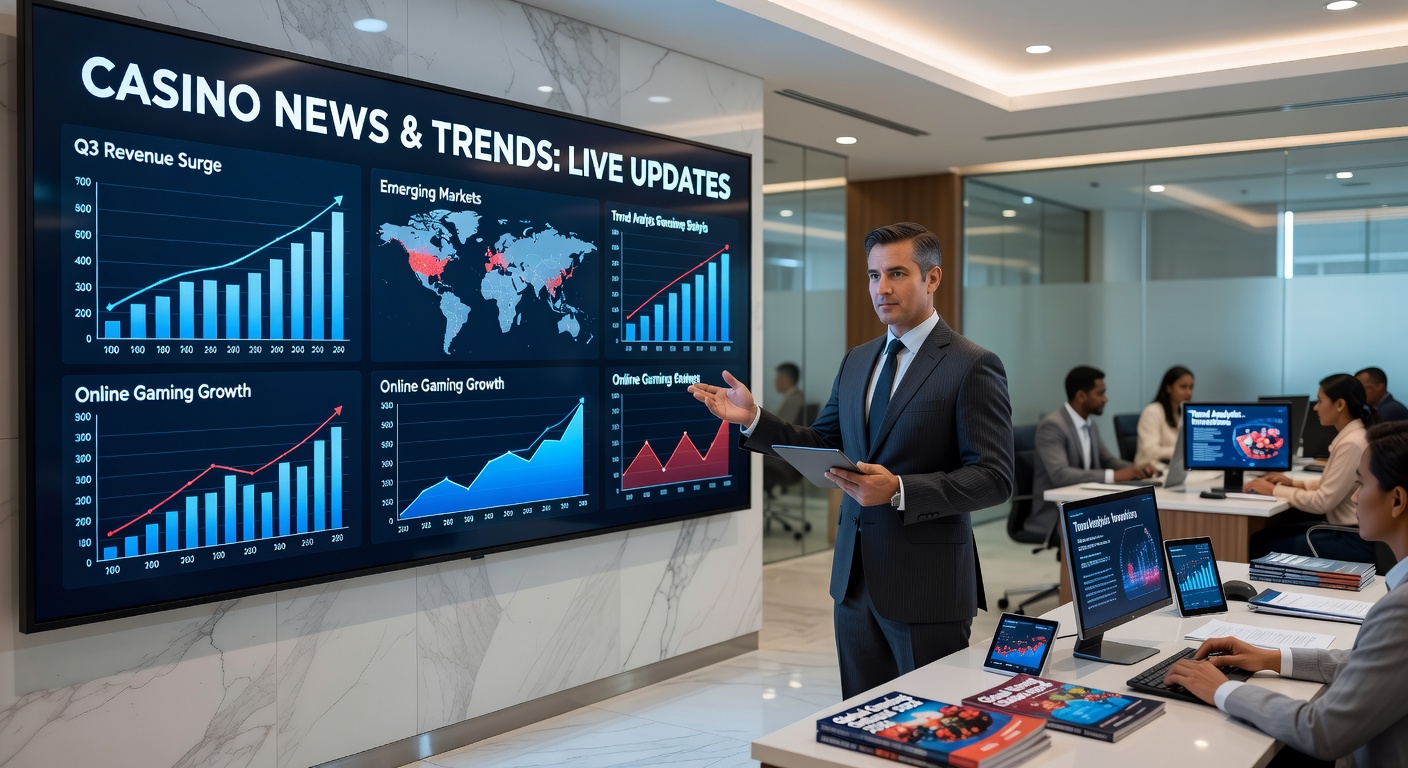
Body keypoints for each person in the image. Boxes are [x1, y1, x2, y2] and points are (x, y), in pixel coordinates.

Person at [689, 222, 1014, 699]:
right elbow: (822, 440)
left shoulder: (972, 364)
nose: (882, 289)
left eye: (897, 273)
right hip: (853, 582)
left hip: (927, 585)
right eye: (873, 275)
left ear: (932, 278)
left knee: (930, 722)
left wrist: (900, 490)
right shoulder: (858, 360)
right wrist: (754, 418)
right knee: (860, 719)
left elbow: (994, 477)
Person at [1164, 421, 1408, 767]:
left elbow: (1322, 730)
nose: (1354, 497)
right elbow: (1369, 665)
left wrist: (1222, 689)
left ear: (1397, 500)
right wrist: (1270, 657)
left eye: (1361, 483)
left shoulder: (1401, 610)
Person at [1246, 373, 1377, 563]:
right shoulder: (1356, 436)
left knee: (1261, 542)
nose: (1315, 407)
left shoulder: (1352, 443)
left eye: (1320, 401)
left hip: (1351, 537)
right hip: (1350, 531)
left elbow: (1322, 502)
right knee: (1269, 534)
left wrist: (1274, 490)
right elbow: (1337, 485)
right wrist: (1293, 482)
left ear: (1340, 404)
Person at [1028, 366, 1158, 537]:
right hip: (1054, 513)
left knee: (1134, 516)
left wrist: (1137, 469)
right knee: (1121, 526)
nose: (1106, 399)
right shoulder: (1052, 426)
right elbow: (1060, 474)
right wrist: (1115, 475)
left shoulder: (1090, 424)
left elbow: (1108, 460)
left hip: (1083, 504)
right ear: (1081, 396)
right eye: (1100, 393)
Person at [1134, 365, 1193, 466]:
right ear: (1168, 388)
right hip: (1150, 469)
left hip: (1173, 467)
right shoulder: (1152, 411)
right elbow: (1152, 451)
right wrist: (1187, 450)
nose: (1189, 392)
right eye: (1183, 387)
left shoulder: (1180, 413)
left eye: (1191, 387)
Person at [763, 363, 805, 498]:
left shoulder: (795, 400)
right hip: (785, 457)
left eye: (777, 378)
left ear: (785, 379)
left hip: (782, 464)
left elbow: (781, 428)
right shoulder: (792, 397)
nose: (775, 382)